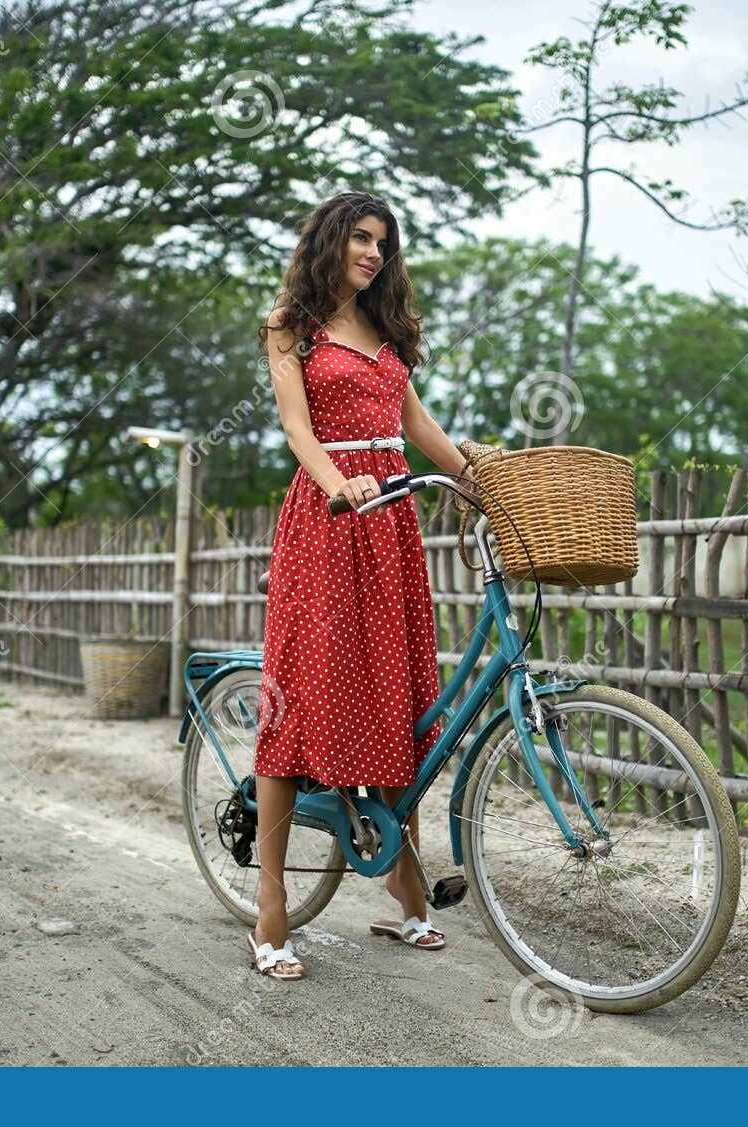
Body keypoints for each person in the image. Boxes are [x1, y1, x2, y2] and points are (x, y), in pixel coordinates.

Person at [248, 190, 474, 981]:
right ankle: (271, 903)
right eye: (361, 238)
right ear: (332, 238)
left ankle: (403, 883)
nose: (374, 253)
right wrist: (336, 480)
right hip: (331, 517)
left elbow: (416, 426)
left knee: (398, 696)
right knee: (299, 702)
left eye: (384, 242)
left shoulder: (386, 330)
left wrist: (477, 478)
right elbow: (296, 427)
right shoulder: (291, 324)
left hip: (392, 526)